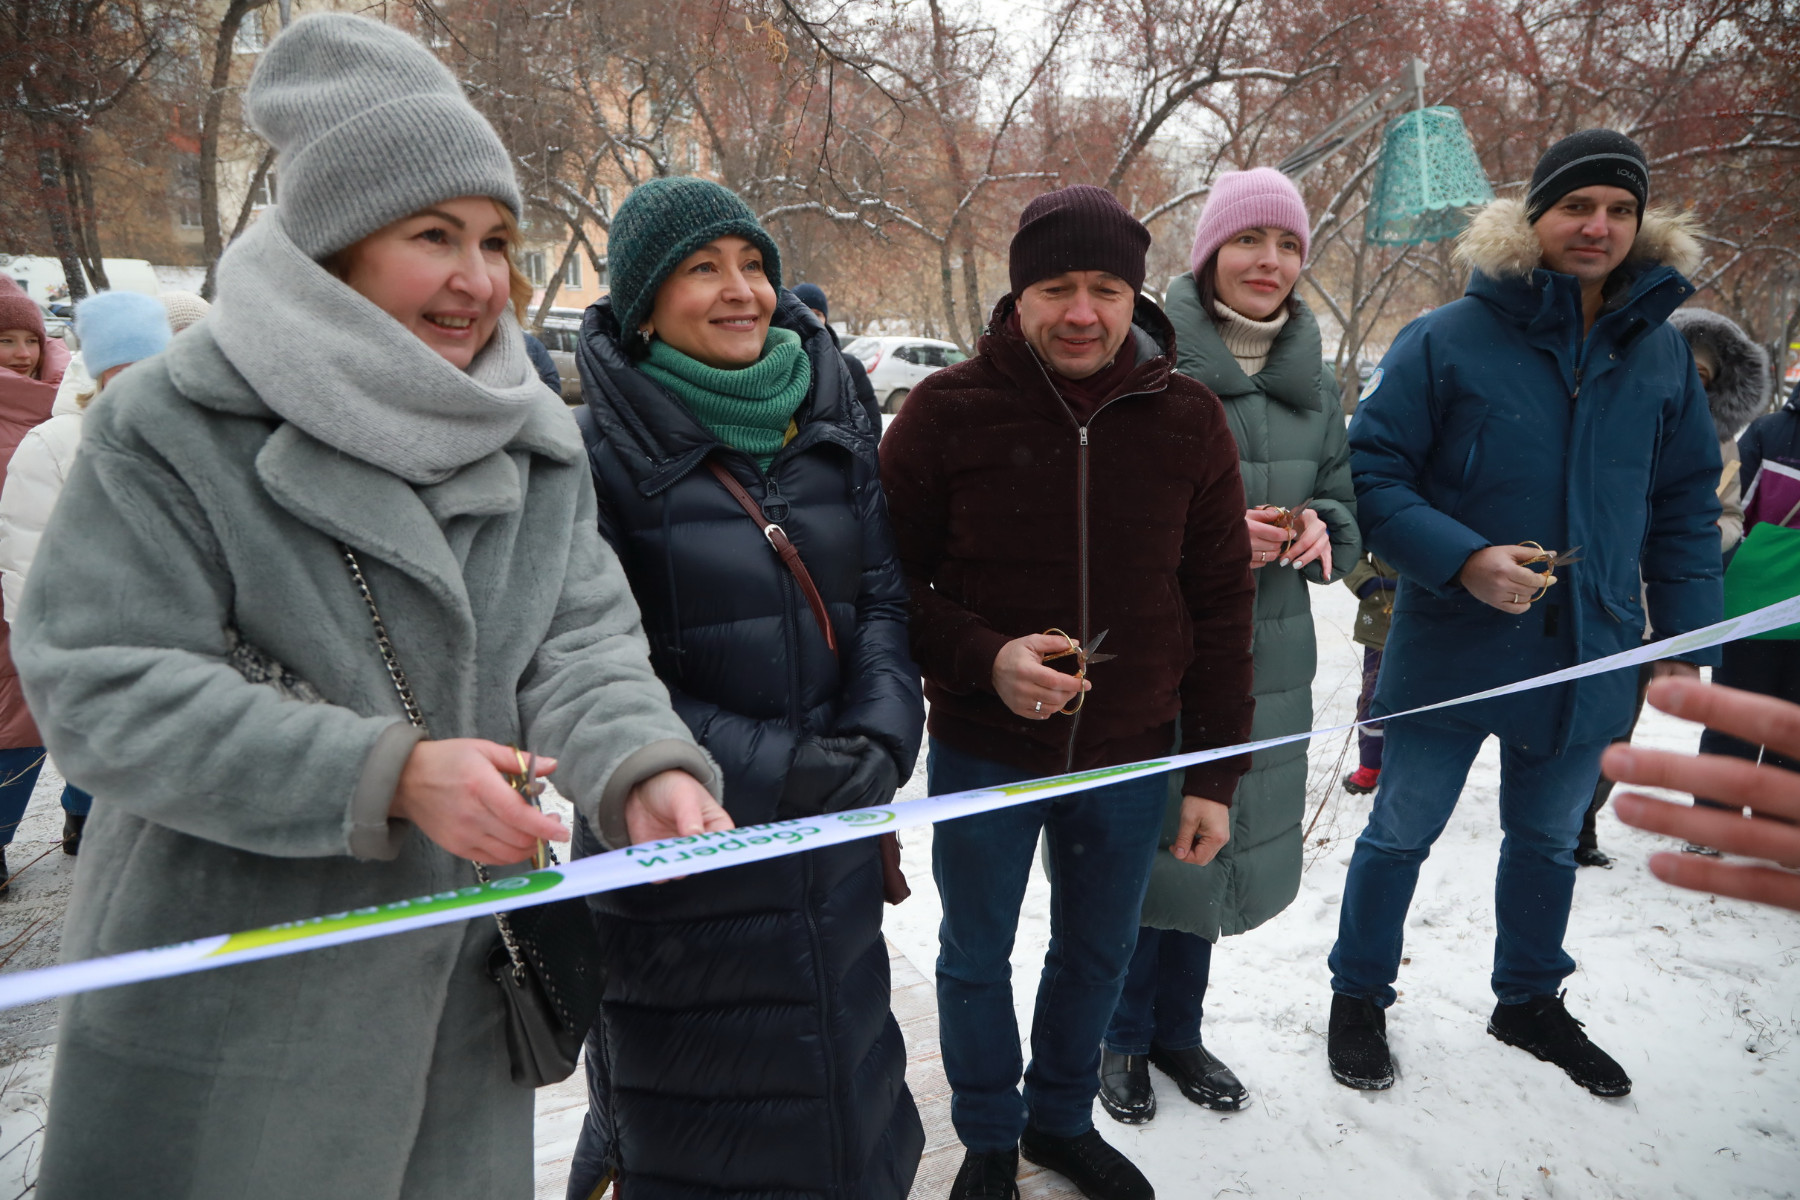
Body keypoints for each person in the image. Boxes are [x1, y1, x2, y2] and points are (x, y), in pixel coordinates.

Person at [12, 16, 725, 1198]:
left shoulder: (533, 441)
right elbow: (101, 684)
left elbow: (582, 642)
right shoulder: (175, 426)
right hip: (228, 1009)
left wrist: (641, 768)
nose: (478, 278)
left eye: (494, 239)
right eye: (433, 235)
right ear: (334, 248)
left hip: (457, 1008)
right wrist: (384, 775)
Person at [1331, 130, 1724, 1100]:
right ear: (1535, 215)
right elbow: (1371, 475)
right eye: (1577, 206)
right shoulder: (1445, 339)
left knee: (1549, 840)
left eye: (1620, 210)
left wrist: (1683, 640)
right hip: (1452, 641)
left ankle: (1529, 1001)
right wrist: (1462, 559)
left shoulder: (1660, 354)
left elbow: (1683, 505)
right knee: (1399, 833)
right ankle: (1359, 995)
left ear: (1641, 226)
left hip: (1590, 647)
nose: (1598, 226)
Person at [881, 184, 1256, 1200]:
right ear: (1019, 296)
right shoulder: (946, 412)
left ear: (1137, 296)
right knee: (975, 954)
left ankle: (1058, 1121)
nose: (1082, 312)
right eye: (1056, 288)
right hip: (984, 747)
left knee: (1097, 952)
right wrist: (984, 655)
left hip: (1132, 750)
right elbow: (883, 585)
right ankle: (988, 1138)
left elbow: (1222, 602)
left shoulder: (1189, 420)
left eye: (1105, 289)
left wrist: (1214, 773)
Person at [565, 176, 925, 1200]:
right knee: (706, 1137)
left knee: (847, 1097)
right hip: (684, 869)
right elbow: (594, 666)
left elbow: (883, 597)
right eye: (702, 268)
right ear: (644, 305)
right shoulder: (593, 453)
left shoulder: (829, 414)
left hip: (833, 849)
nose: (742, 290)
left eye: (754, 264)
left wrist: (881, 737)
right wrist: (791, 770)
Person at [1101, 168, 1360, 1126]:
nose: (1270, 261)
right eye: (1250, 240)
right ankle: (1118, 1035)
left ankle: (1178, 1031)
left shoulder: (1315, 381)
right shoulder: (1144, 362)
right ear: (1211, 251)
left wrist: (1324, 526)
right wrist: (1205, 538)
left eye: (1288, 245)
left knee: (1215, 846)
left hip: (1269, 659)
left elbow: (1343, 495)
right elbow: (1098, 514)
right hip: (1157, 657)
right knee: (1148, 852)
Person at [1577, 306, 1769, 863]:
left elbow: (1731, 516)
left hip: (1654, 615)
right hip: (1593, 595)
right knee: (1574, 718)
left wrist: (1701, 534)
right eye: (1684, 365)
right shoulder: (1612, 419)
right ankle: (1555, 822)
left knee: (1618, 725)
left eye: (1703, 375)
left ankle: (1581, 828)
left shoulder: (1720, 445)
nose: (1690, 381)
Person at [0, 290, 172, 860]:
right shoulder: (54, 442)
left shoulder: (184, 436)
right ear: (97, 369)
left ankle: (103, 832)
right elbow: (25, 554)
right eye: (121, 366)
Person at [1605, 678, 1800, 912]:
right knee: (1731, 722)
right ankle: (1711, 823)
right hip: (1745, 656)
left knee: (1790, 734)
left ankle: (1783, 828)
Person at [0, 276, 70, 892]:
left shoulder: (67, 401)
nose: (23, 353)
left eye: (31, 339)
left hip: (62, 580)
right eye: (5, 340)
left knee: (74, 706)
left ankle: (83, 816)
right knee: (14, 716)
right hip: (12, 580)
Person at [1342, 552, 1399, 794]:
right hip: (1382, 615)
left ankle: (1413, 769)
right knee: (1374, 695)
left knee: (1425, 698)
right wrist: (1366, 582)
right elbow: (1348, 545)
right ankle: (1370, 766)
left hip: (1439, 619)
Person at [793, 280, 882, 430]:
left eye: (817, 314)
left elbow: (871, 422)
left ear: (825, 319)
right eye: (805, 311)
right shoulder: (776, 361)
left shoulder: (850, 367)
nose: (811, 318)